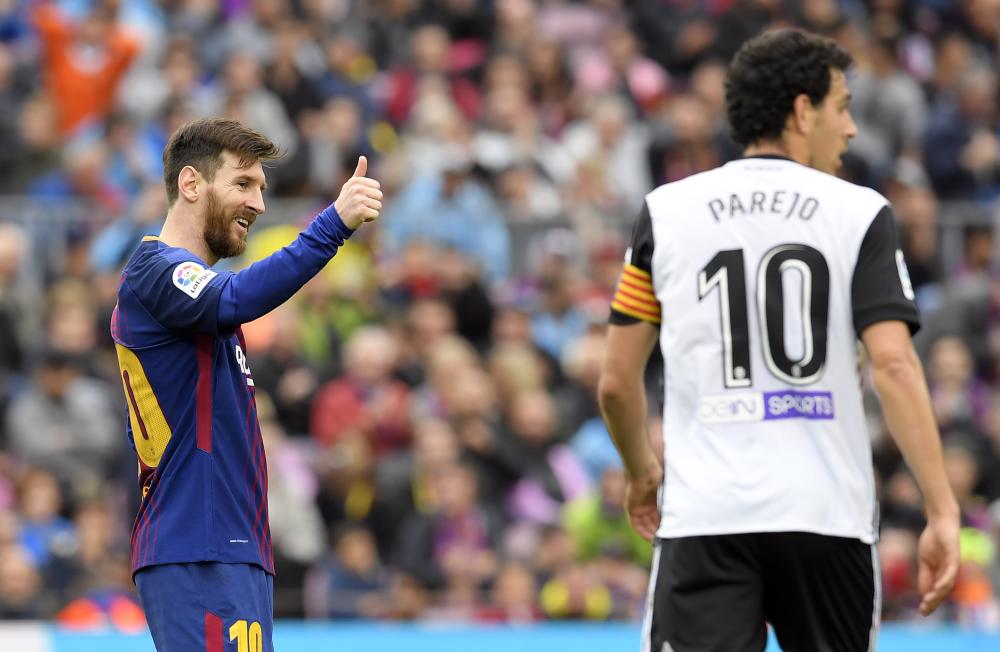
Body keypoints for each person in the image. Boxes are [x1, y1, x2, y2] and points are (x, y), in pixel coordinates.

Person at [597, 29, 960, 652]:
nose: (849, 130)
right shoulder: (861, 212)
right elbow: (894, 366)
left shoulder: (667, 210)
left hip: (709, 519)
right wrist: (942, 509)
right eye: (842, 107)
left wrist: (639, 473)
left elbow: (614, 384)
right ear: (801, 110)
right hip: (828, 519)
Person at [110, 117, 381, 651]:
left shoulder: (197, 301)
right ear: (191, 184)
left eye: (261, 188)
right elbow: (236, 298)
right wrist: (332, 225)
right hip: (199, 543)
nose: (258, 204)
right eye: (243, 184)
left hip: (233, 547)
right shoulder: (156, 271)